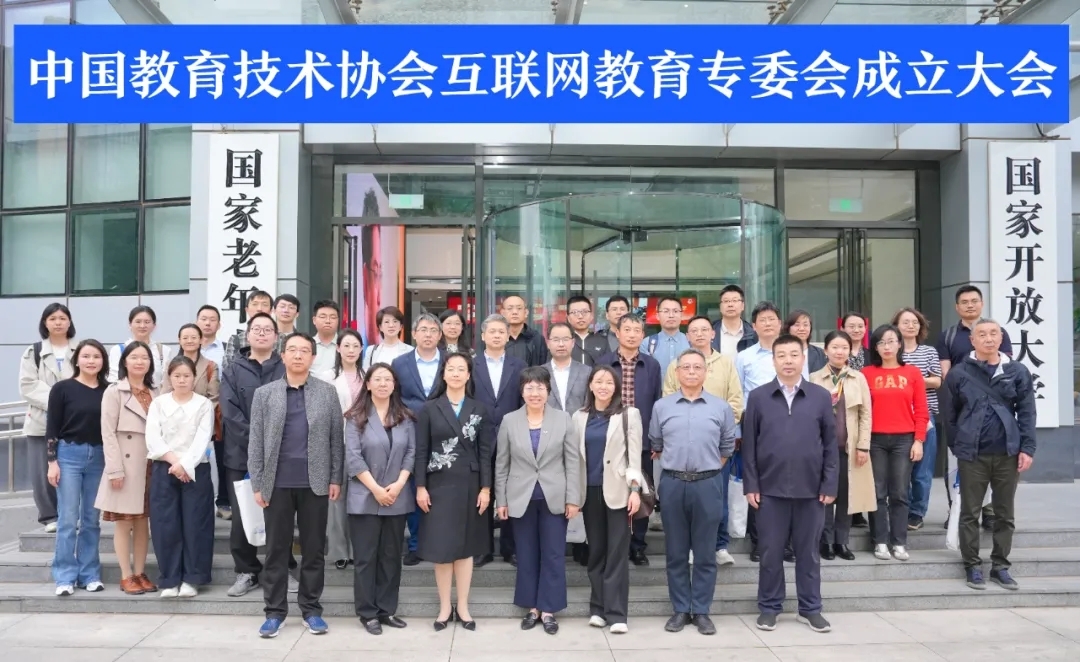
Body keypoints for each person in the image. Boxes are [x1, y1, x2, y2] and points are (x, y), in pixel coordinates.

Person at [248, 332, 345, 639]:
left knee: (314, 550)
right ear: (283, 355)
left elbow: (336, 439)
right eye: (292, 350)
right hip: (276, 483)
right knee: (276, 550)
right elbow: (255, 442)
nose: (299, 355)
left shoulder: (327, 392)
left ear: (313, 357)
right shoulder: (265, 394)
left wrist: (335, 477)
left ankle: (311, 609)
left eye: (305, 350)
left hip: (315, 482)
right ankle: (274, 612)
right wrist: (257, 482)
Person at [743, 334, 838, 634]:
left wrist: (829, 485)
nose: (788, 361)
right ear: (773, 361)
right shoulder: (758, 397)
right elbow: (749, 447)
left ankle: (810, 609)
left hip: (811, 491)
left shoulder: (820, 397)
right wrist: (751, 485)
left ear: (803, 358)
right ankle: (770, 607)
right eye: (781, 355)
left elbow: (830, 446)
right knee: (770, 552)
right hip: (769, 490)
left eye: (794, 355)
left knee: (808, 553)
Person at [942, 318, 1036, 591]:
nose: (988, 338)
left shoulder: (1016, 371)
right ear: (972, 340)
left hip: (1008, 453)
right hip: (973, 455)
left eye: (994, 333)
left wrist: (1027, 448)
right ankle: (972, 566)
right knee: (969, 513)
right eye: (982, 334)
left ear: (1001, 338)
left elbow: (1027, 412)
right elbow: (949, 415)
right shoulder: (959, 373)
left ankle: (1000, 566)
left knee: (1004, 514)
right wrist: (958, 446)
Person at [651, 349, 736, 636]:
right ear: (676, 373)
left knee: (705, 553)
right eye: (685, 367)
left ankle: (701, 610)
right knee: (675, 551)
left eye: (697, 367)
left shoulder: (721, 407)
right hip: (673, 484)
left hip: (708, 484)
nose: (691, 372)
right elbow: (657, 444)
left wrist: (705, 469)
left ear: (705, 372)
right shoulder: (662, 407)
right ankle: (679, 609)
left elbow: (727, 448)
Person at [496, 367, 581, 635]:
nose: (535, 393)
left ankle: (549, 609)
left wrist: (573, 498)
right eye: (529, 388)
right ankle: (532, 607)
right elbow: (502, 464)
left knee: (553, 554)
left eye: (540, 387)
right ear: (522, 392)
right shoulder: (509, 420)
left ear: (548, 390)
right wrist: (501, 500)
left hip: (554, 497)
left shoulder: (563, 419)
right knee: (526, 553)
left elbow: (572, 462)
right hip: (520, 497)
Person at [414, 352, 494, 632]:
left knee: (465, 548)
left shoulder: (480, 409)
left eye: (462, 369)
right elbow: (421, 450)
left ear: (469, 375)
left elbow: (486, 452)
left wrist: (486, 488)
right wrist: (420, 486)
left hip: (471, 485)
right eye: (451, 369)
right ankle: (444, 606)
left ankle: (463, 606)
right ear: (444, 374)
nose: (456, 373)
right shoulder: (429, 408)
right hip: (438, 486)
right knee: (442, 548)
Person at [662, 315, 742, 566]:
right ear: (687, 336)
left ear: (713, 334)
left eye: (704, 329)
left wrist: (719, 432)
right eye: (694, 330)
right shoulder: (676, 365)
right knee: (685, 504)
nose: (699, 334)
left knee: (718, 498)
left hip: (716, 444)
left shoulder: (725, 363)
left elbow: (735, 401)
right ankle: (689, 547)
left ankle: (719, 545)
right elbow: (667, 400)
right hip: (682, 445)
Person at [571, 365, 645, 634]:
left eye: (609, 382)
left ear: (616, 387)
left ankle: (617, 614)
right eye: (598, 381)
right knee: (596, 551)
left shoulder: (628, 415)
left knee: (616, 552)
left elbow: (634, 458)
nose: (603, 386)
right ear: (590, 385)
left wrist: (635, 491)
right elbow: (574, 458)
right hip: (589, 492)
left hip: (619, 492)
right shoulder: (579, 417)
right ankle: (598, 609)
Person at [344, 363, 416, 634]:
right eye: (378, 379)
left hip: (397, 496)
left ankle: (387, 610)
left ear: (394, 384)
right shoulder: (355, 417)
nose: (383, 384)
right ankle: (367, 613)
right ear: (368, 384)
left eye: (388, 379)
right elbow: (353, 457)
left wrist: (398, 485)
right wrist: (376, 489)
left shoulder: (405, 417)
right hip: (365, 496)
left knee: (391, 557)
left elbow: (411, 453)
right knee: (366, 558)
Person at [220, 313, 288, 597]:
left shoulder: (285, 366)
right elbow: (230, 412)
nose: (261, 333)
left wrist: (273, 444)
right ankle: (246, 571)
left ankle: (282, 570)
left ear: (276, 336)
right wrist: (258, 443)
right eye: (256, 329)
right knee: (241, 516)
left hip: (282, 454)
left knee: (281, 515)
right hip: (240, 455)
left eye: (267, 329)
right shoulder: (233, 369)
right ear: (247, 336)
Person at [936, 285, 1013, 531]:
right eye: (964, 302)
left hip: (993, 410)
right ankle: (957, 509)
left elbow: (1006, 367)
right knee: (956, 462)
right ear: (957, 307)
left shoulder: (998, 332)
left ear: (982, 303)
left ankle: (989, 511)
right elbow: (946, 374)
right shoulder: (948, 336)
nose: (970, 305)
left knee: (993, 461)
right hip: (963, 408)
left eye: (974, 301)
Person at [146, 356, 215, 598]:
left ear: (194, 378)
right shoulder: (159, 403)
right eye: (177, 376)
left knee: (196, 524)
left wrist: (185, 464)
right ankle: (169, 579)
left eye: (187, 376)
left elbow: (203, 437)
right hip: (165, 467)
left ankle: (192, 578)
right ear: (169, 377)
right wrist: (175, 462)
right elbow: (153, 436)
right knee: (165, 524)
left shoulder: (203, 404)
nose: (182, 380)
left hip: (196, 469)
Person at [46, 339, 109, 596]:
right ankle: (64, 576)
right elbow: (52, 427)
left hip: (99, 457)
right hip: (68, 456)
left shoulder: (109, 391)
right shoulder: (62, 389)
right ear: (77, 360)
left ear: (103, 361)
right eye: (86, 356)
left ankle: (89, 574)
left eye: (96, 356)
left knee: (92, 519)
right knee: (68, 519)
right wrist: (52, 462)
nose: (91, 361)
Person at [95, 341, 159, 595]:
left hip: (150, 463)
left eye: (145, 358)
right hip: (125, 463)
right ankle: (125, 575)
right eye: (134, 357)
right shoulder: (114, 392)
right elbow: (108, 432)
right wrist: (115, 470)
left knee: (143, 522)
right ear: (124, 362)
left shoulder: (156, 392)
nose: (140, 362)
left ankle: (140, 572)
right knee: (124, 523)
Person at [598, 313, 662, 567]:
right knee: (612, 491)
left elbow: (657, 403)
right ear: (617, 332)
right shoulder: (604, 362)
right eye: (627, 329)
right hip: (610, 437)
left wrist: (655, 439)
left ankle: (637, 545)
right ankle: (615, 545)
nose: (632, 334)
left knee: (641, 491)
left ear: (643, 335)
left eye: (637, 330)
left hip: (641, 439)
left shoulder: (652, 365)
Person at [862, 324, 929, 562]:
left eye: (891, 341)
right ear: (875, 347)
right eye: (881, 342)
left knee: (900, 492)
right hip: (875, 439)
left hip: (904, 438)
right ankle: (880, 541)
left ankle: (899, 542)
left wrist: (918, 440)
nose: (887, 346)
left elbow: (922, 410)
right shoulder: (866, 373)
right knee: (877, 492)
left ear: (900, 344)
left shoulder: (912, 373)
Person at [809, 331, 874, 562]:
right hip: (822, 448)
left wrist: (863, 446)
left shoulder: (858, 378)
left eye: (844, 348)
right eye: (835, 347)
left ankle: (841, 541)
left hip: (850, 446)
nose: (839, 352)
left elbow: (866, 414)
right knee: (825, 495)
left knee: (847, 496)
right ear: (826, 350)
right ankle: (825, 541)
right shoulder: (814, 378)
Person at [735, 301, 790, 562]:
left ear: (780, 324)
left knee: (788, 482)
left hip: (791, 424)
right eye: (762, 320)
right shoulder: (744, 357)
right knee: (756, 482)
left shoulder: (793, 353)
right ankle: (760, 542)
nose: (768, 324)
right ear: (754, 326)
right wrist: (739, 431)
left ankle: (787, 543)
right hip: (756, 425)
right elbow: (737, 395)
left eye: (772, 319)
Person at [471, 314, 526, 567]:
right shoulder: (471, 365)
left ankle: (509, 547)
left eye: (501, 332)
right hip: (478, 438)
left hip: (511, 437)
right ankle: (482, 548)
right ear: (483, 336)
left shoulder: (519, 365)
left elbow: (523, 401)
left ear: (507, 336)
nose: (496, 335)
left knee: (511, 491)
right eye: (491, 331)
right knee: (482, 492)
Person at [20, 302, 76, 533]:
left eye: (62, 318)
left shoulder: (81, 350)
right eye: (52, 319)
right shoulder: (33, 351)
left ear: (69, 322)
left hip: (74, 421)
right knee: (42, 472)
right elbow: (27, 385)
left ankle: (72, 514)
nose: (58, 322)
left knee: (73, 470)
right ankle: (49, 515)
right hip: (40, 421)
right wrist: (59, 401)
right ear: (45, 323)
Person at [392, 314, 444, 566]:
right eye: (423, 330)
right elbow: (395, 398)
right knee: (414, 488)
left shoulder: (450, 361)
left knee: (442, 488)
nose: (428, 334)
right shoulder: (399, 363)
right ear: (413, 334)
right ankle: (415, 545)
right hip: (409, 431)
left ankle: (439, 542)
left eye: (433, 330)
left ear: (440, 335)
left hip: (444, 433)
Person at [893, 307, 942, 531]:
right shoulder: (891, 351)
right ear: (896, 326)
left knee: (922, 470)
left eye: (915, 322)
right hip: (898, 415)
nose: (910, 325)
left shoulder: (929, 351)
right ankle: (901, 508)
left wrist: (911, 379)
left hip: (925, 416)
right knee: (900, 469)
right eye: (905, 322)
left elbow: (937, 381)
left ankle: (917, 512)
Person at [165, 324, 222, 517]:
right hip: (174, 429)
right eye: (185, 337)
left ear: (201, 340)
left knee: (202, 473)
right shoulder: (171, 364)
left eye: (193, 337)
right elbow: (165, 394)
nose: (189, 341)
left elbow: (214, 397)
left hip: (200, 426)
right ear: (179, 340)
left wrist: (197, 415)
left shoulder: (210, 366)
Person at [329, 328, 364, 570]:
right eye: (347, 345)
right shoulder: (327, 377)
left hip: (363, 444)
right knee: (336, 497)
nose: (351, 350)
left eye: (356, 346)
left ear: (361, 350)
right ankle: (339, 551)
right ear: (338, 348)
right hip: (337, 442)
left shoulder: (368, 376)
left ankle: (358, 549)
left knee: (360, 497)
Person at [196, 305, 230, 519]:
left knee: (222, 457)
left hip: (219, 412)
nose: (207, 323)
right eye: (203, 318)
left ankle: (223, 502)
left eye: (212, 319)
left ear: (219, 324)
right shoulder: (188, 347)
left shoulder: (225, 349)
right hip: (190, 413)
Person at [108, 306, 173, 385]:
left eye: (147, 322)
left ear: (154, 325)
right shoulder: (118, 350)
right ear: (130, 324)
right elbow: (114, 379)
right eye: (138, 322)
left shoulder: (164, 351)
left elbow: (167, 381)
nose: (142, 326)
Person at [222, 290, 276, 368]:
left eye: (264, 304)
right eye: (255, 304)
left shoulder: (281, 339)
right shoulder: (236, 340)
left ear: (271, 310)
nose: (259, 309)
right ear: (247, 309)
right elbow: (228, 368)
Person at [546, 322, 590, 414]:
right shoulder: (540, 373)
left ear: (573, 343)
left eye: (565, 339)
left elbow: (590, 405)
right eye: (556, 340)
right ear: (548, 343)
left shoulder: (586, 372)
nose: (561, 344)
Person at [640, 296, 690, 376]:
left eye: (675, 311)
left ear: (682, 315)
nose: (671, 315)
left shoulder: (690, 342)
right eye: (666, 311)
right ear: (657, 315)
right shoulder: (647, 343)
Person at [362, 305, 413, 373]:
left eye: (395, 321)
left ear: (401, 326)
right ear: (380, 327)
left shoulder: (410, 351)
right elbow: (366, 374)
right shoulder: (371, 351)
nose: (391, 325)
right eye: (386, 322)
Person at [501, 295, 548, 367]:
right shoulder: (497, 338)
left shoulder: (537, 339)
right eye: (510, 308)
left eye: (519, 308)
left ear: (526, 313)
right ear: (503, 313)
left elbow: (543, 367)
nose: (515, 312)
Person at [711, 284, 757, 357]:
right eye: (726, 301)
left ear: (742, 306)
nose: (730, 304)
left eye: (734, 300)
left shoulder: (753, 333)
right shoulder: (710, 332)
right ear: (720, 307)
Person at [565, 295, 608, 365]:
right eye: (575, 312)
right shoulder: (563, 341)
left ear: (591, 316)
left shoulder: (602, 341)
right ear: (568, 318)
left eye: (585, 312)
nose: (580, 316)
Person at [783, 309, 827, 375]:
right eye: (797, 325)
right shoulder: (780, 352)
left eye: (805, 325)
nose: (802, 329)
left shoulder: (820, 354)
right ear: (788, 328)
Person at [311, 300, 344, 381]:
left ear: (338, 320)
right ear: (314, 320)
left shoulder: (345, 345)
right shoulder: (307, 345)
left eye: (333, 317)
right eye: (323, 317)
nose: (328, 321)